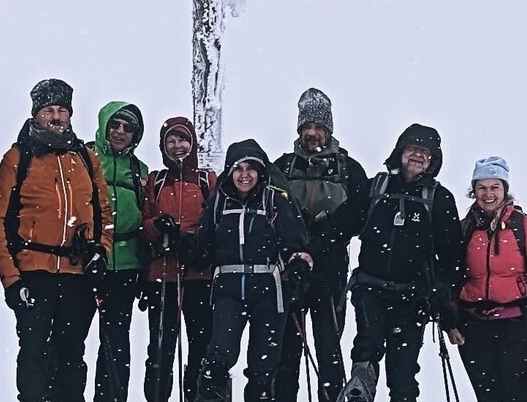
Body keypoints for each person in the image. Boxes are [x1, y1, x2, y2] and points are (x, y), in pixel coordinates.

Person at [0, 79, 114, 402]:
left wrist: (102, 251)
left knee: (72, 354)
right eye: (49, 110)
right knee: (33, 354)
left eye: (62, 110)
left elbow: (104, 214)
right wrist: (11, 280)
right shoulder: (18, 158)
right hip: (34, 272)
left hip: (77, 275)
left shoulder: (87, 157)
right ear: (36, 114)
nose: (56, 117)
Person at [330, 124, 464, 402]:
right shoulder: (375, 187)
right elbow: (341, 226)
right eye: (413, 148)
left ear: (433, 159)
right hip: (370, 289)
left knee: (403, 371)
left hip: (414, 295)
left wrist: (442, 286)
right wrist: (310, 251)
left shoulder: (440, 199)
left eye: (425, 152)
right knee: (366, 348)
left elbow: (452, 254)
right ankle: (358, 392)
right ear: (400, 152)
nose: (418, 155)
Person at [196, 139, 313, 402]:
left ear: (261, 172)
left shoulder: (274, 199)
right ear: (230, 171)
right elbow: (205, 243)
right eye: (238, 168)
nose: (244, 175)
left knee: (263, 366)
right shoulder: (218, 203)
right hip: (228, 289)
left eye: (251, 168)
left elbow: (296, 243)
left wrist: (297, 266)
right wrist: (193, 250)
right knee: (219, 357)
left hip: (268, 291)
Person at [270, 89, 367, 402]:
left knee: (329, 351)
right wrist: (295, 248)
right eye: (307, 126)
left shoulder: (350, 170)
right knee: (287, 353)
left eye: (319, 127)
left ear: (329, 130)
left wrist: (326, 238)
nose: (312, 133)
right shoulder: (281, 167)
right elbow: (271, 213)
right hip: (290, 270)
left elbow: (359, 217)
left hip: (330, 271)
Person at [447, 156, 527, 402]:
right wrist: (451, 319)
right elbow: (453, 277)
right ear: (473, 191)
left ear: (505, 189)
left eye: (495, 187)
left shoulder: (525, 226)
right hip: (475, 326)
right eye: (482, 187)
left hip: (518, 325)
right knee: (488, 395)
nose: (488, 194)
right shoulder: (465, 228)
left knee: (521, 394)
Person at [140, 117, 219, 402]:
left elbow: (215, 222)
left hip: (199, 275)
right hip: (163, 274)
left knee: (200, 347)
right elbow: (144, 224)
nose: (178, 146)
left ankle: (197, 397)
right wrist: (158, 226)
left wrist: (195, 240)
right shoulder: (156, 181)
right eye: (171, 141)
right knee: (160, 350)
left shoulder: (206, 180)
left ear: (192, 143)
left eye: (183, 140)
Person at [93, 102, 150, 402]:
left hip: (126, 265)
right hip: (86, 262)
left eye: (128, 128)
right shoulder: (85, 158)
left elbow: (145, 215)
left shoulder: (141, 171)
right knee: (69, 339)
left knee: (116, 343)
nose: (120, 132)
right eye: (115, 125)